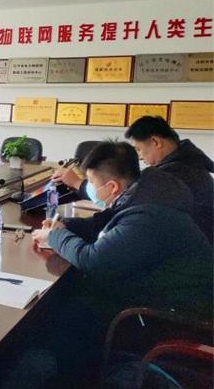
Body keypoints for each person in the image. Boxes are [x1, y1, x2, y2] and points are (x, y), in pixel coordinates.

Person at [33, 140, 212, 319]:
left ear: (112, 187)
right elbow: (103, 223)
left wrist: (55, 235)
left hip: (174, 313)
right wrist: (67, 225)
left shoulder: (147, 214)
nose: (90, 188)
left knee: (62, 308)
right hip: (154, 290)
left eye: (92, 183)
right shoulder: (143, 191)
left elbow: (92, 260)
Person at [54, 116, 213, 241]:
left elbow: (124, 210)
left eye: (139, 149)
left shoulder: (172, 176)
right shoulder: (187, 164)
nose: (140, 158)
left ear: (156, 142)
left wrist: (77, 184)